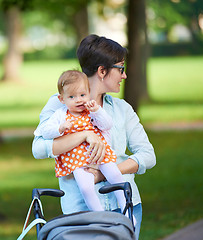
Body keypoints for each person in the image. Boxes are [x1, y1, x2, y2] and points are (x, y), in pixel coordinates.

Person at [32, 34, 156, 239]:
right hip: (80, 211)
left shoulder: (121, 109)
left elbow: (148, 155)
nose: (124, 75)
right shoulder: (60, 104)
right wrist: (85, 134)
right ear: (102, 71)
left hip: (124, 207)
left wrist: (105, 173)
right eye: (121, 68)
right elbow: (38, 149)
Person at [34, 70, 135, 223]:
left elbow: (107, 125)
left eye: (82, 95)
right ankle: (101, 217)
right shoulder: (60, 114)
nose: (79, 100)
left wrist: (97, 112)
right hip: (77, 160)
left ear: (88, 93)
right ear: (62, 99)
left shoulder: (91, 110)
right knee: (86, 188)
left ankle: (126, 209)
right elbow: (45, 131)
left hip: (100, 154)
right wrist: (59, 128)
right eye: (72, 97)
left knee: (115, 177)